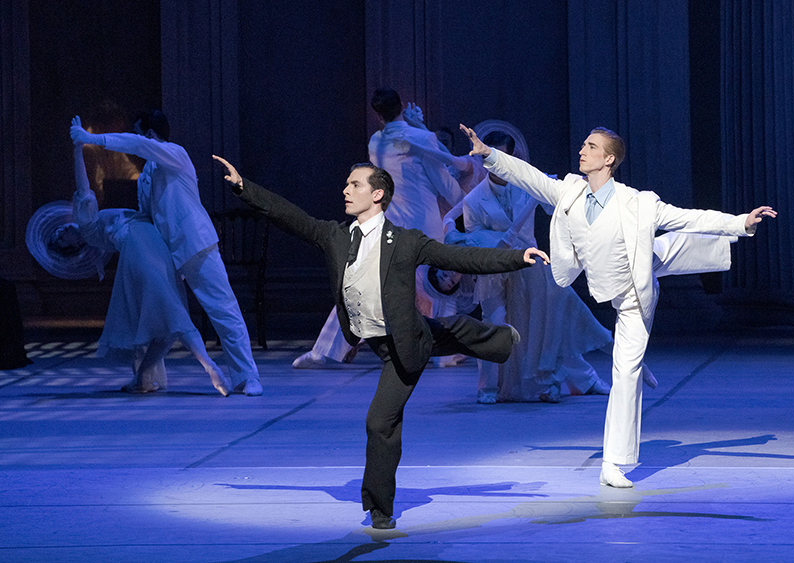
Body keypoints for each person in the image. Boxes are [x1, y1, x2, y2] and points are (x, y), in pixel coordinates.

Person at [211, 154, 548, 530]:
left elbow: (460, 257)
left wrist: (518, 257)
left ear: (378, 194)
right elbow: (291, 217)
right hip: (390, 336)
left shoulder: (406, 242)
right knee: (441, 332)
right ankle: (499, 339)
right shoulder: (335, 237)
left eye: (355, 184)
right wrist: (245, 188)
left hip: (403, 345)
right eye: (347, 184)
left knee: (380, 420)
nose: (346, 189)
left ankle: (380, 507)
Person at [461, 123, 776, 488]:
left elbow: (689, 216)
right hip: (608, 278)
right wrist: (489, 154)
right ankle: (637, 363)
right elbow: (528, 176)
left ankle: (614, 462)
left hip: (635, 290)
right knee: (662, 252)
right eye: (583, 144)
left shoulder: (639, 202)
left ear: (608, 159)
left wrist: (741, 223)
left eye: (591, 146)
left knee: (628, 361)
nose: (582, 150)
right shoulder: (570, 192)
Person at [70, 111, 262, 396]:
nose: (138, 140)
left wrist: (92, 139)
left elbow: (138, 145)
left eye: (139, 133)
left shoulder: (175, 154)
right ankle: (145, 377)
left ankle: (248, 377)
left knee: (223, 309)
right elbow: (147, 217)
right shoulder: (147, 174)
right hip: (169, 253)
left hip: (195, 244)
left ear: (148, 133)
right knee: (168, 317)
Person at [292, 89, 466, 369]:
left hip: (392, 226)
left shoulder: (376, 141)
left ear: (377, 115)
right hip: (423, 227)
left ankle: (325, 351)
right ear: (400, 107)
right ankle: (443, 353)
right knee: (434, 290)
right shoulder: (421, 139)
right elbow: (447, 187)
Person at [460, 130, 612, 404]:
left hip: (530, 265)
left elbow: (555, 206)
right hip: (494, 269)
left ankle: (577, 379)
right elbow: (476, 242)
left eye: (505, 155)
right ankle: (488, 387)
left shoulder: (525, 183)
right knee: (494, 322)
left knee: (549, 321)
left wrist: (570, 190)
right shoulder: (473, 200)